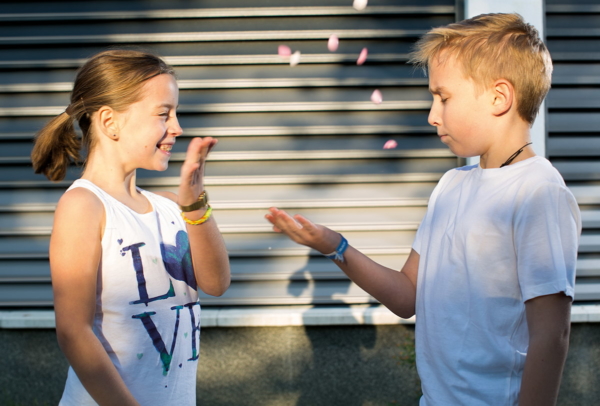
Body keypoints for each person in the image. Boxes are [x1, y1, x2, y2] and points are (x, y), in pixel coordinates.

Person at [265, 13, 581, 406]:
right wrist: (335, 246)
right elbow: (406, 296)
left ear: (500, 98)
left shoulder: (538, 193)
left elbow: (553, 335)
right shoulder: (451, 186)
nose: (432, 114)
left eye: (443, 97)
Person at [31, 49, 231, 405]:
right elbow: (73, 332)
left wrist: (195, 202)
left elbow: (216, 284)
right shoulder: (83, 206)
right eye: (163, 114)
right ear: (110, 122)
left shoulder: (172, 205)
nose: (177, 128)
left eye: (176, 114)